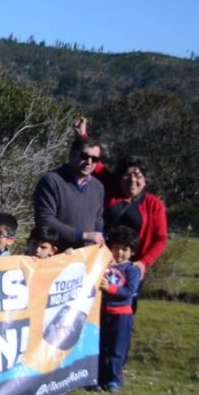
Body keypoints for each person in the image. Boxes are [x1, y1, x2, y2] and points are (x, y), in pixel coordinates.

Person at [72, 118, 168, 279]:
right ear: (119, 177)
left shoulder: (153, 204)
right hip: (98, 261)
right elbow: (95, 163)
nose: (132, 181)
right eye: (127, 176)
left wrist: (143, 263)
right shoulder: (109, 187)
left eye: (138, 176)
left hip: (130, 269)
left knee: (122, 304)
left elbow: (161, 239)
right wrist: (82, 135)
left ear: (145, 180)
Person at [32, 136, 105, 251]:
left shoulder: (98, 187)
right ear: (72, 154)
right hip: (57, 256)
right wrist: (83, 235)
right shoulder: (51, 181)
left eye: (95, 159)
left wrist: (100, 239)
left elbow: (98, 220)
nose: (89, 162)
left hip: (87, 259)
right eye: (84, 156)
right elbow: (45, 220)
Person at [97, 226, 142, 393]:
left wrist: (110, 289)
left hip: (122, 316)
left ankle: (113, 380)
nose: (119, 252)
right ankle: (99, 378)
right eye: (115, 247)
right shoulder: (104, 266)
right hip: (102, 314)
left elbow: (129, 291)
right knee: (101, 347)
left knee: (117, 350)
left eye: (124, 249)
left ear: (132, 252)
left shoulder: (133, 270)